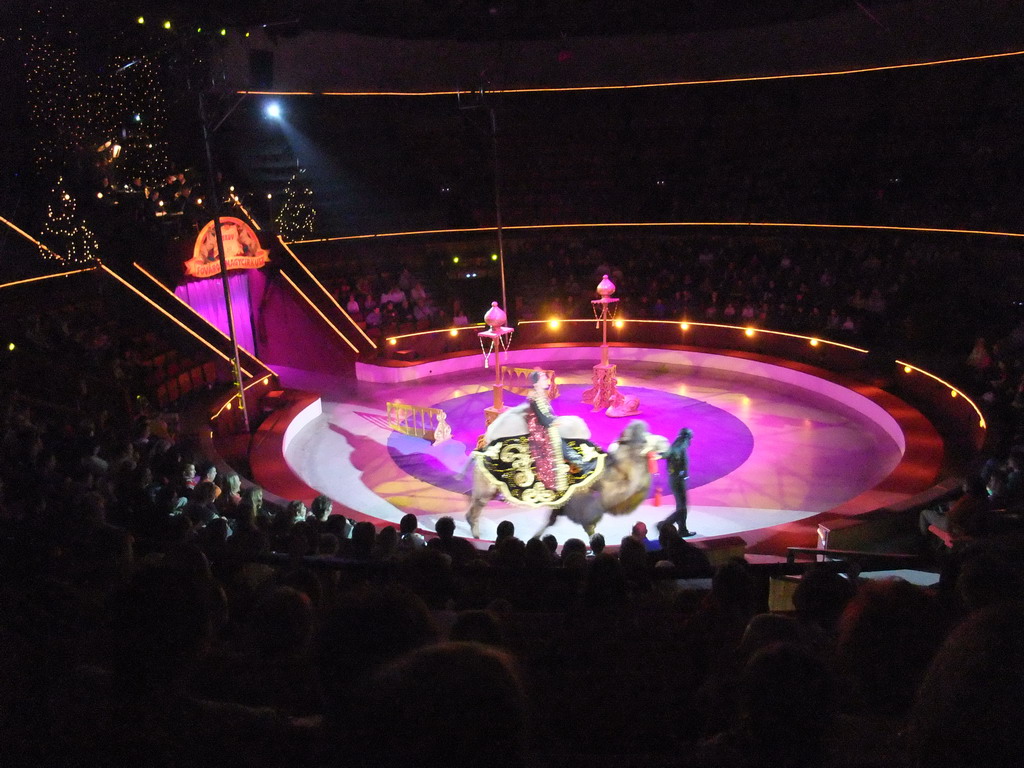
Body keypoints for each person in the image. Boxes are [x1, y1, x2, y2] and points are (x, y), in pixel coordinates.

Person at [661, 427, 696, 536]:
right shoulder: (681, 445)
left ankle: (682, 529)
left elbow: (665, 455)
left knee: (681, 506)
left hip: (673, 478)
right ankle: (664, 525)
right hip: (677, 479)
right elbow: (677, 457)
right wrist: (682, 472)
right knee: (682, 507)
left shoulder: (675, 445)